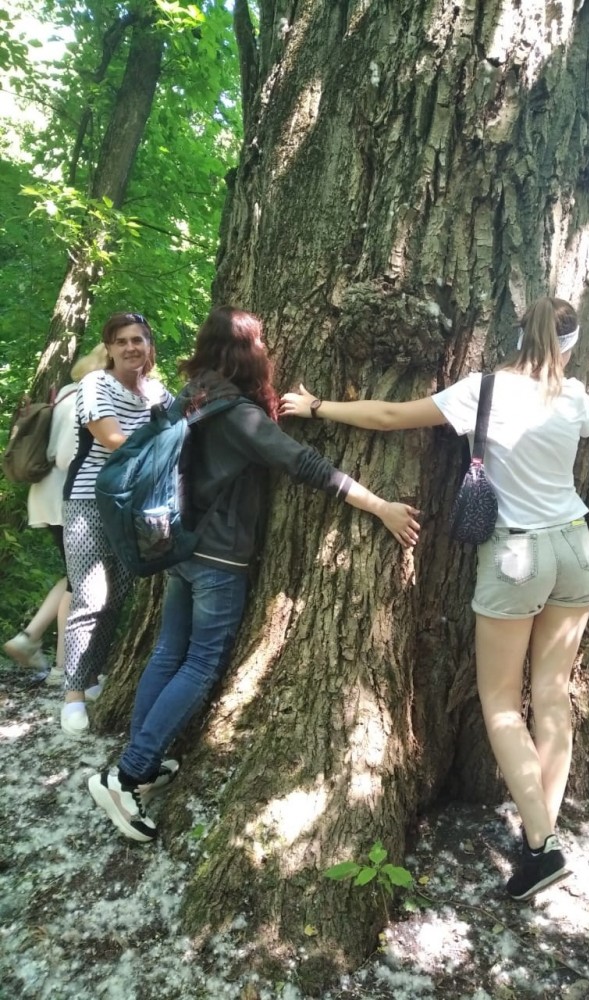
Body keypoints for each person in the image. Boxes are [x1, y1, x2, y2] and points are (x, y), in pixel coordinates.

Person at [281, 296, 589, 900]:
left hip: (516, 555)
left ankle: (543, 846)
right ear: (570, 346)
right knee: (553, 695)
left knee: (502, 701)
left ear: (518, 334)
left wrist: (316, 406)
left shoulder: (483, 390)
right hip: (575, 546)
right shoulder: (572, 396)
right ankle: (541, 839)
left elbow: (390, 415)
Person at [87, 306, 420, 842]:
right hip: (218, 559)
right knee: (200, 663)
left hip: (180, 547)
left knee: (168, 653)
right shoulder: (237, 414)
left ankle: (138, 762)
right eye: (260, 341)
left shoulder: (192, 395)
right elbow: (306, 464)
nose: (266, 348)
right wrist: (380, 506)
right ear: (247, 352)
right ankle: (127, 776)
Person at [60, 313, 173, 738]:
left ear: (149, 346)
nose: (130, 348)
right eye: (121, 341)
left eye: (138, 340)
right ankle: (73, 693)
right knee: (90, 595)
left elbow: (182, 430)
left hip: (134, 504)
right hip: (89, 500)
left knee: (119, 594)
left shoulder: (157, 392)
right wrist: (164, 449)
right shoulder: (96, 384)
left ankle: (91, 676)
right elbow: (112, 440)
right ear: (108, 348)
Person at [3, 345, 109, 683]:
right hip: (68, 497)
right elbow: (67, 455)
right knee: (80, 581)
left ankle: (31, 638)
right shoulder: (89, 397)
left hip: (49, 494)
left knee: (75, 576)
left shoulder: (66, 393)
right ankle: (63, 667)